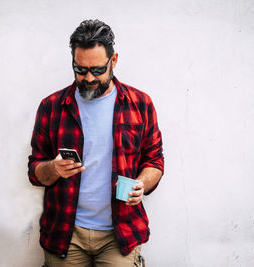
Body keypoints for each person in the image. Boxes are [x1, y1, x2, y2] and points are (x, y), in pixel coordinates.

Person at [28, 19, 164, 267]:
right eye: (80, 69)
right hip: (65, 234)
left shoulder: (140, 104)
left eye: (98, 70)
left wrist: (141, 184)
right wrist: (52, 169)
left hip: (120, 233)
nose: (88, 77)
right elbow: (35, 170)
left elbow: (154, 160)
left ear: (113, 61)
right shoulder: (51, 106)